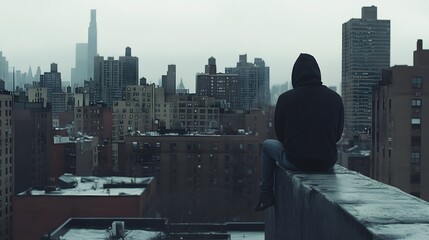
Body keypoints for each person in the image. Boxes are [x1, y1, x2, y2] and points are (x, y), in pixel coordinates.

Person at [253, 53, 344, 211]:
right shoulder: (335, 98)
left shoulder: (285, 99)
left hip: (296, 161)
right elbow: (336, 135)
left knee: (267, 145)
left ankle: (266, 193)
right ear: (317, 73)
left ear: (295, 75)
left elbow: (281, 136)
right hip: (326, 163)